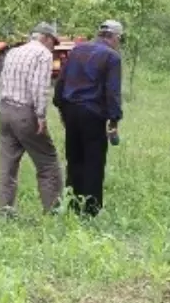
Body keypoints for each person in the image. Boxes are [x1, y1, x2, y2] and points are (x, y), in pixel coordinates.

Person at [53, 19, 124, 216]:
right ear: (114, 37)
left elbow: (62, 80)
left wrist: (60, 107)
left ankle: (73, 204)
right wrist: (114, 120)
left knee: (74, 158)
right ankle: (91, 209)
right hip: (92, 113)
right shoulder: (112, 57)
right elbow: (112, 91)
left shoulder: (77, 50)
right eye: (119, 38)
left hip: (71, 111)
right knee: (94, 160)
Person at [0, 23, 63, 215]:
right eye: (53, 42)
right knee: (48, 163)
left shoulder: (13, 52)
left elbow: (2, 82)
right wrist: (41, 116)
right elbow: (39, 87)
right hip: (25, 113)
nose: (53, 47)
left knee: (7, 166)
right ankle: (53, 211)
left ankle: (4, 212)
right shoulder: (43, 55)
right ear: (46, 38)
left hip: (5, 110)